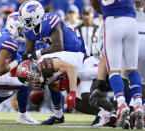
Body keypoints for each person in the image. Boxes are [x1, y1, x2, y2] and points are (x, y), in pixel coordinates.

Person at [18, 0, 86, 124]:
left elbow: (58, 46)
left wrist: (37, 55)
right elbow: (29, 52)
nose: (25, 24)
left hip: (74, 52)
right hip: (60, 55)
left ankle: (64, 88)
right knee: (48, 78)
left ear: (37, 16)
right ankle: (58, 115)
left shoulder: (50, 20)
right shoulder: (30, 29)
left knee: (44, 66)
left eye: (27, 20)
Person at [0, 12, 39, 124]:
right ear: (14, 26)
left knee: (7, 93)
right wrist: (16, 62)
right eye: (21, 28)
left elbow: (12, 54)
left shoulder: (3, 33)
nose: (23, 32)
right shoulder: (10, 41)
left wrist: (36, 53)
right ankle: (22, 116)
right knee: (24, 83)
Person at [90, 0, 144, 129]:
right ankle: (138, 104)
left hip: (112, 21)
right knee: (132, 69)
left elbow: (94, 3)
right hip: (131, 22)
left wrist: (102, 10)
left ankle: (121, 104)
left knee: (114, 71)